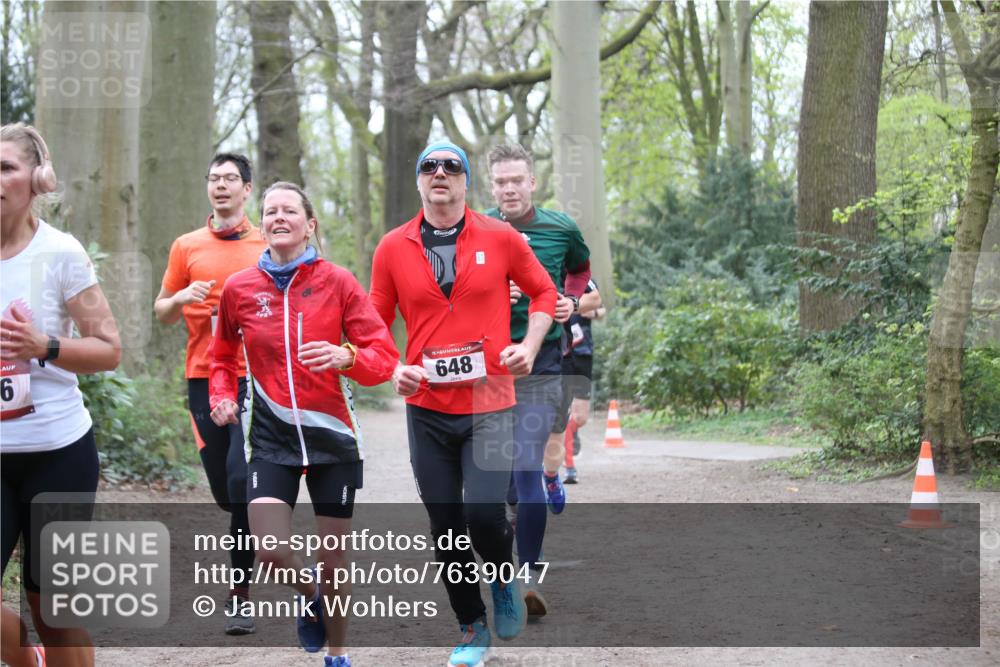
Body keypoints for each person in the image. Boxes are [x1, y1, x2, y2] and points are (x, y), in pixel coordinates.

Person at [369, 140, 557, 667]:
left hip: (490, 399)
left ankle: (502, 579)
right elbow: (372, 322)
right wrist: (393, 368)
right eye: (429, 166)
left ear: (465, 180)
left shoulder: (500, 236)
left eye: (451, 166)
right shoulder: (392, 247)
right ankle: (471, 627)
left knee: (483, 514)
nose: (440, 173)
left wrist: (529, 346)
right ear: (419, 180)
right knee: (446, 525)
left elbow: (544, 293)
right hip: (427, 406)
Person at [210, 182, 397, 667]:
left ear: (309, 224)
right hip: (269, 439)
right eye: (270, 210)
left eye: (290, 210)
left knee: (333, 560)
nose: (279, 217)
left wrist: (346, 355)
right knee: (270, 550)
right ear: (262, 224)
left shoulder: (339, 282)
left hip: (332, 439)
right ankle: (311, 594)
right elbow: (221, 357)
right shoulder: (239, 289)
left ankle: (337, 654)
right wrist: (222, 396)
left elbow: (383, 357)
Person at [1, 123, 122, 667]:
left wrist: (44, 345)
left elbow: (109, 349)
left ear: (37, 178)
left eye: (6, 167)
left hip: (57, 452)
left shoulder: (60, 253)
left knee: (53, 607)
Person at [153, 153, 266, 635]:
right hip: (203, 376)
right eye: (214, 178)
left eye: (230, 179)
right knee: (225, 491)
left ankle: (239, 594)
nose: (221, 185)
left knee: (241, 483)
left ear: (247, 189)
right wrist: (180, 298)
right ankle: (254, 516)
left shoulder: (267, 242)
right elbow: (161, 311)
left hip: (256, 379)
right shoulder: (187, 246)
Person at [485, 143, 590, 617]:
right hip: (487, 366)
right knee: (501, 482)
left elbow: (581, 270)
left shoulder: (560, 228)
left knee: (525, 466)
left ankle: (526, 579)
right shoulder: (474, 228)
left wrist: (569, 301)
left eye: (517, 180)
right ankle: (512, 566)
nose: (509, 188)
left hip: (541, 363)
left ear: (532, 182)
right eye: (501, 181)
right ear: (492, 187)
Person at [544, 280, 605, 486]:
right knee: (559, 415)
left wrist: (590, 312)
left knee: (580, 417)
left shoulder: (583, 279)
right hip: (560, 354)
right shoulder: (548, 275)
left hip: (583, 352)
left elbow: (600, 307)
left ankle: (569, 432)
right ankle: (568, 467)